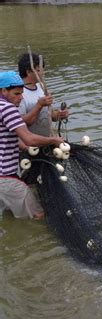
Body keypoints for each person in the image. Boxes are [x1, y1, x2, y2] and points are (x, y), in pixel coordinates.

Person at [0, 71, 63, 219]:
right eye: (16, 94)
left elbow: (8, 137)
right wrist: (54, 140)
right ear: (3, 91)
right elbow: (28, 138)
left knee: (9, 216)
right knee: (38, 216)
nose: (20, 98)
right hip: (5, 176)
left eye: (21, 93)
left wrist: (27, 148)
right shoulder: (7, 108)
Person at [17, 52, 69, 137]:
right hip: (30, 145)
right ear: (29, 72)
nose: (42, 73)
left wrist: (60, 115)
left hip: (47, 140)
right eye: (39, 70)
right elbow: (22, 123)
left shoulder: (41, 88)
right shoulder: (19, 93)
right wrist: (39, 105)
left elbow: (50, 115)